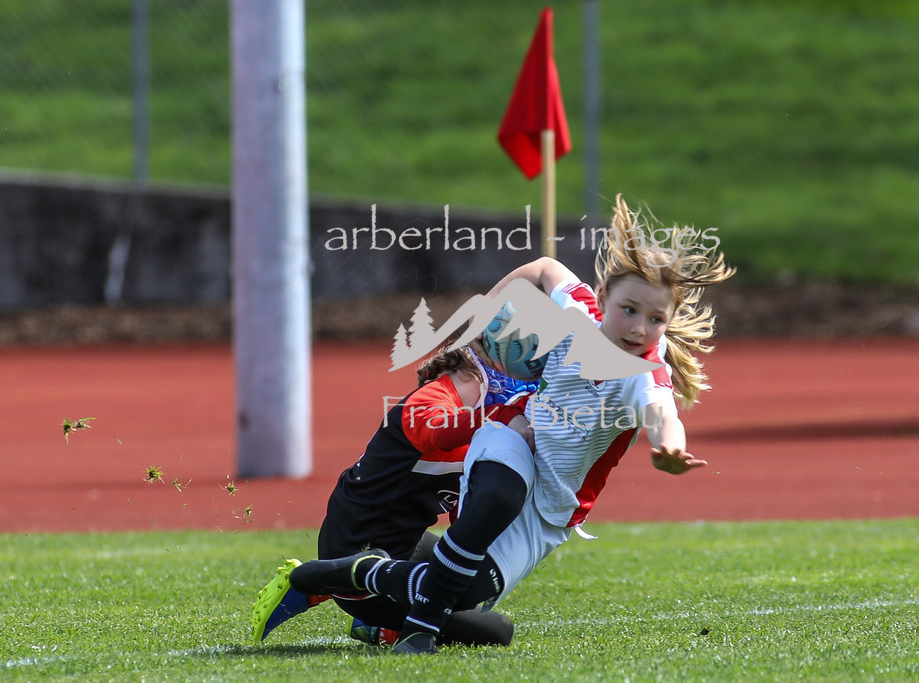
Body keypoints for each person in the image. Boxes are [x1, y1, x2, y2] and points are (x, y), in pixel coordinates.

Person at [290, 194, 735, 654]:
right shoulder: (579, 311)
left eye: (656, 319)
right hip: (515, 434)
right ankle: (418, 631)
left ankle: (363, 573)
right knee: (500, 494)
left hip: (553, 509)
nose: (639, 328)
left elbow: (663, 412)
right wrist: (493, 305)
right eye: (629, 310)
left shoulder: (646, 375)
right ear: (603, 299)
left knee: (465, 595)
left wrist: (670, 448)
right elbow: (544, 267)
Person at [251, 333, 536, 648]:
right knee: (494, 634)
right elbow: (439, 433)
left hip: (405, 545)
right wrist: (500, 417)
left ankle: (368, 614)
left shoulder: (480, 427)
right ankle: (320, 584)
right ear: (474, 370)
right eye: (507, 375)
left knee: (471, 591)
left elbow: (466, 517)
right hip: (354, 547)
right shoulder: (432, 399)